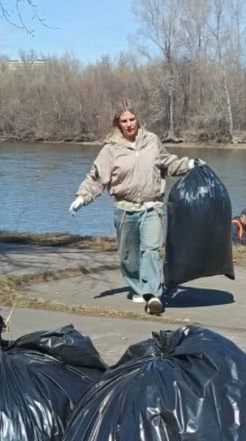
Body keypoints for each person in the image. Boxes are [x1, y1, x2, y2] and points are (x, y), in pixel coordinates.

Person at [69, 102, 199, 316]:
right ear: (118, 123)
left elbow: (168, 163)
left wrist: (189, 164)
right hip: (125, 209)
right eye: (124, 121)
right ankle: (138, 288)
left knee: (151, 250)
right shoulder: (110, 149)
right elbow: (96, 177)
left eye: (132, 119)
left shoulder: (152, 141)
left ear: (138, 119)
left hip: (152, 206)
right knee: (128, 256)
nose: (129, 124)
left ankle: (152, 295)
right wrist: (82, 197)